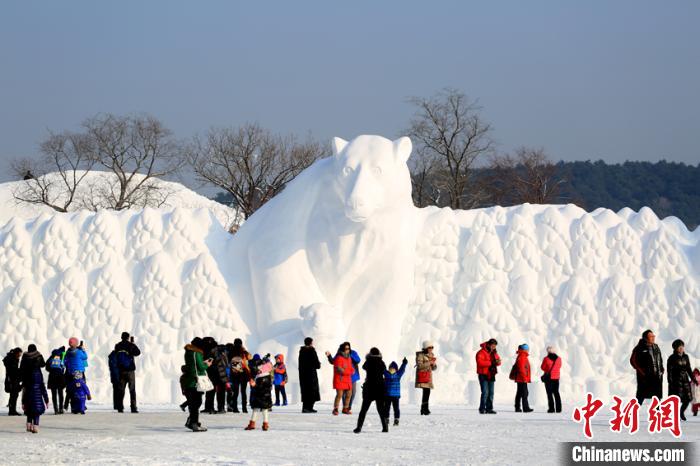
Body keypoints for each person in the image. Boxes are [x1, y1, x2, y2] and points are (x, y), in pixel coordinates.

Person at [353, 347, 388, 433]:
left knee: (364, 410)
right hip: (380, 388)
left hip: (369, 388)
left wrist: (368, 358)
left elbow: (364, 367)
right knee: (380, 409)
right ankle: (385, 427)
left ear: (370, 353)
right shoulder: (381, 362)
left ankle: (359, 427)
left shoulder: (368, 361)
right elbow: (384, 370)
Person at [183, 337, 212, 432]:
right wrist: (207, 364)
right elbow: (200, 366)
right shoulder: (197, 353)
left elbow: (193, 365)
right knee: (196, 402)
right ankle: (194, 423)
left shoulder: (188, 352)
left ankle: (192, 421)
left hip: (189, 380)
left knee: (193, 403)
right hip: (196, 381)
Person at [630, 329, 664, 405]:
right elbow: (633, 361)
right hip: (645, 377)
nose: (653, 337)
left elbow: (660, 359)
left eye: (653, 336)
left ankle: (657, 413)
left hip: (657, 376)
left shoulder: (656, 347)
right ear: (645, 338)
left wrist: (661, 369)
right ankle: (633, 411)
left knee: (657, 396)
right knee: (641, 396)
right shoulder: (639, 347)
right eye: (651, 336)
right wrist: (642, 372)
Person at [20, 345, 48, 433]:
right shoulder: (38, 356)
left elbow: (21, 368)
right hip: (36, 385)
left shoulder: (25, 356)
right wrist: (46, 399)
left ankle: (28, 425)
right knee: (36, 409)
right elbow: (43, 364)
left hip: (27, 383)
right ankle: (35, 426)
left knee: (29, 407)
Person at [114, 332, 141, 414]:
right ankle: (133, 407)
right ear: (128, 337)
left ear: (121, 337)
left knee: (121, 390)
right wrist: (133, 344)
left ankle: (120, 407)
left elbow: (116, 355)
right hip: (130, 370)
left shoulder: (118, 345)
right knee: (132, 389)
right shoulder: (130, 345)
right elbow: (138, 352)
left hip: (121, 370)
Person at [245, 354, 274, 431]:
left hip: (259, 396)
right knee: (265, 409)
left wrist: (254, 385)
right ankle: (265, 424)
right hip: (266, 396)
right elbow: (269, 387)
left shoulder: (259, 377)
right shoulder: (268, 376)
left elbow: (259, 388)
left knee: (256, 409)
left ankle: (252, 424)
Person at [666, 339, 693, 421]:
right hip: (676, 381)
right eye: (679, 347)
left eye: (682, 346)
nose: (681, 348)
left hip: (685, 381)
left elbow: (688, 369)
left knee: (687, 399)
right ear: (675, 348)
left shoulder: (686, 357)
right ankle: (673, 414)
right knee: (676, 399)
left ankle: (681, 412)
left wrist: (693, 378)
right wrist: (670, 381)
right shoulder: (672, 358)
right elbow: (669, 371)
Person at [326, 342, 355, 415]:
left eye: (348, 348)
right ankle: (335, 409)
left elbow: (351, 368)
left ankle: (345, 408)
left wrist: (350, 371)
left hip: (347, 379)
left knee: (349, 394)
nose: (347, 350)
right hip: (340, 379)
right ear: (343, 349)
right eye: (346, 348)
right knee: (339, 395)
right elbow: (339, 369)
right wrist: (349, 372)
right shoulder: (339, 357)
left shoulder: (349, 357)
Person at [203, 340, 230, 414]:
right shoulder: (222, 351)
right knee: (221, 392)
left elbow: (209, 363)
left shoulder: (211, 351)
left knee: (211, 391)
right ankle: (221, 408)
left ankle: (210, 408)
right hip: (223, 374)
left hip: (214, 374)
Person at [475, 338, 501, 414]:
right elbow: (480, 363)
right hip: (483, 374)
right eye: (493, 346)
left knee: (491, 392)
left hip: (491, 374)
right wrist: (491, 362)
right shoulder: (480, 352)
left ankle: (489, 408)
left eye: (495, 346)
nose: (494, 348)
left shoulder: (494, 353)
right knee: (485, 392)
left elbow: (498, 362)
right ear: (489, 345)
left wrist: (497, 362)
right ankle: (482, 408)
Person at [63, 337, 88, 412]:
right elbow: (85, 357)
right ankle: (81, 405)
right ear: (76, 343)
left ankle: (73, 407)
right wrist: (83, 350)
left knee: (72, 389)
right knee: (81, 388)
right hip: (80, 372)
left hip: (70, 373)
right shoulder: (79, 352)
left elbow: (65, 362)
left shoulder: (68, 352)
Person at [298, 337, 321, 413]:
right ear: (311, 343)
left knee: (305, 391)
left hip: (303, 375)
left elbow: (300, 364)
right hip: (311, 374)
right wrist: (318, 364)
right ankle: (309, 407)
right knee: (312, 391)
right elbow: (316, 364)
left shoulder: (301, 351)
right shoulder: (312, 350)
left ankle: (305, 408)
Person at [228, 338, 251, 413]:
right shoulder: (243, 351)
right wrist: (244, 350)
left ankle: (235, 408)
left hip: (235, 374)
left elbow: (229, 361)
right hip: (243, 374)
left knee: (236, 392)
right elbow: (250, 357)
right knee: (243, 392)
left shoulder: (231, 351)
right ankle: (244, 408)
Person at [383, 357, 408, 426]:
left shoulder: (386, 374)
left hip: (387, 395)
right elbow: (402, 369)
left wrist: (382, 363)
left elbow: (382, 368)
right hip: (396, 396)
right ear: (396, 369)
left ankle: (386, 419)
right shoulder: (398, 374)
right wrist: (404, 363)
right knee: (396, 408)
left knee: (386, 408)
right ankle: (396, 420)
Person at [415, 340, 437, 415]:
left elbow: (434, 369)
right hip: (423, 376)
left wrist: (433, 365)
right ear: (425, 348)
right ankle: (425, 409)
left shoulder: (431, 355)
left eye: (432, 347)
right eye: (429, 347)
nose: (431, 349)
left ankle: (423, 409)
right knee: (426, 392)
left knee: (427, 393)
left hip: (428, 377)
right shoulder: (420, 355)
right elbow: (420, 366)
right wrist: (429, 363)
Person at [540, 346, 562, 413]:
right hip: (556, 378)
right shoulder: (559, 359)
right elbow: (559, 366)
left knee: (549, 394)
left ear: (548, 351)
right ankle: (558, 409)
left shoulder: (546, 359)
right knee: (556, 393)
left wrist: (547, 369)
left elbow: (542, 367)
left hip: (549, 378)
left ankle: (551, 409)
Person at [45, 346, 66, 415]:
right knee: (60, 393)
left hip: (52, 377)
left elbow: (47, 367)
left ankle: (55, 409)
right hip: (60, 376)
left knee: (54, 394)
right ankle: (61, 408)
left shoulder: (50, 359)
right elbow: (63, 368)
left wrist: (51, 370)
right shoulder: (60, 359)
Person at [512, 343, 533, 413]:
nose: (528, 350)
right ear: (525, 349)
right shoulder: (522, 356)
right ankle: (525, 408)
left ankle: (517, 407)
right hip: (522, 378)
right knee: (524, 393)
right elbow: (521, 368)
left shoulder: (521, 355)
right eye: (527, 349)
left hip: (521, 378)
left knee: (520, 393)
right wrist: (524, 377)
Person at [3, 347, 23, 416]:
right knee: (13, 395)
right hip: (12, 380)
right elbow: (13, 371)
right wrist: (19, 371)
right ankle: (12, 411)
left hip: (13, 379)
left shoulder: (12, 358)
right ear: (16, 353)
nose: (20, 356)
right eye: (19, 354)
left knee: (14, 395)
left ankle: (12, 410)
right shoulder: (12, 359)